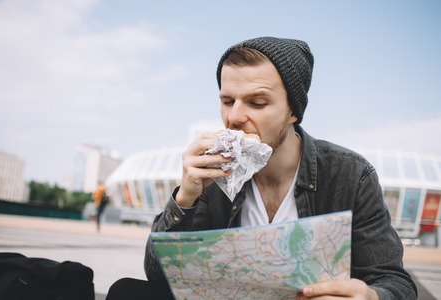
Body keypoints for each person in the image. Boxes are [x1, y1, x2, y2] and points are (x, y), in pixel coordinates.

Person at [108, 37, 417, 299]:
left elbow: (396, 283)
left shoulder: (351, 175)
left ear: (293, 111)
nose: (235, 117)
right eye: (228, 101)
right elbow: (159, 279)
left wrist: (371, 295)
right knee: (126, 291)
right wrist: (184, 199)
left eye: (257, 102)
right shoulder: (213, 173)